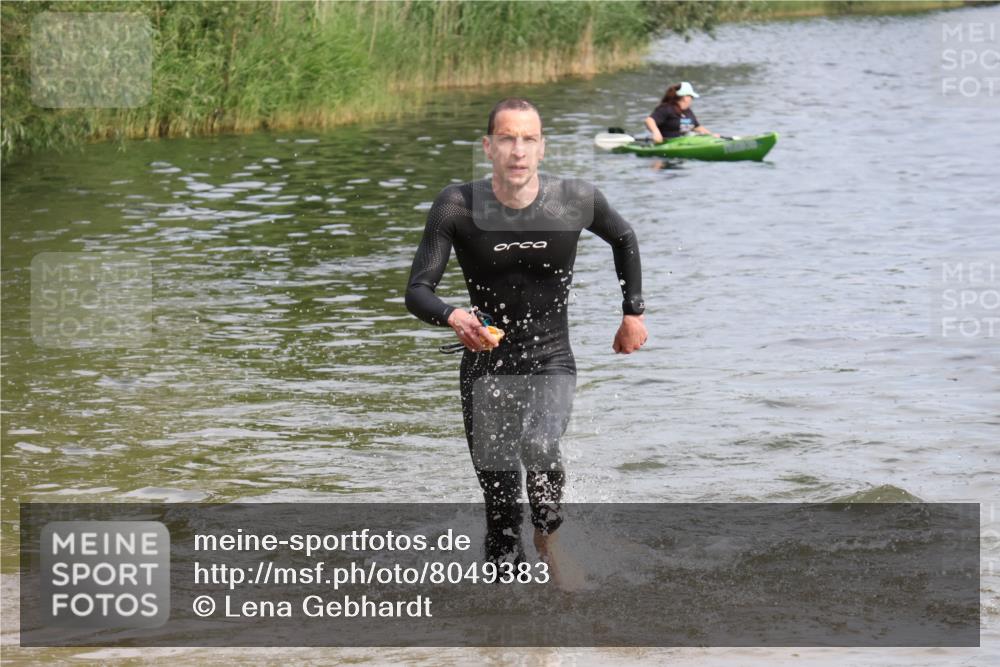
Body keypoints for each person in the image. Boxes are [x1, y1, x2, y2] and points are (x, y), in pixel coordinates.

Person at [405, 98, 647, 589]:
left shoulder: (574, 199)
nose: (519, 150)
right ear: (488, 147)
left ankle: (550, 538)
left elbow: (623, 237)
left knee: (539, 444)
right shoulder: (457, 205)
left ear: (542, 147)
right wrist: (454, 316)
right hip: (484, 366)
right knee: (499, 512)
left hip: (551, 360)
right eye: (508, 139)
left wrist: (632, 314)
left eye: (529, 139)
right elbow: (417, 291)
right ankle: (503, 631)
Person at [644, 81, 720, 143]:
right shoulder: (666, 108)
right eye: (691, 97)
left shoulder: (688, 111)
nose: (692, 99)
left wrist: (711, 135)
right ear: (685, 97)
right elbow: (649, 120)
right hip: (668, 143)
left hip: (685, 142)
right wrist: (656, 133)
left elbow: (697, 127)